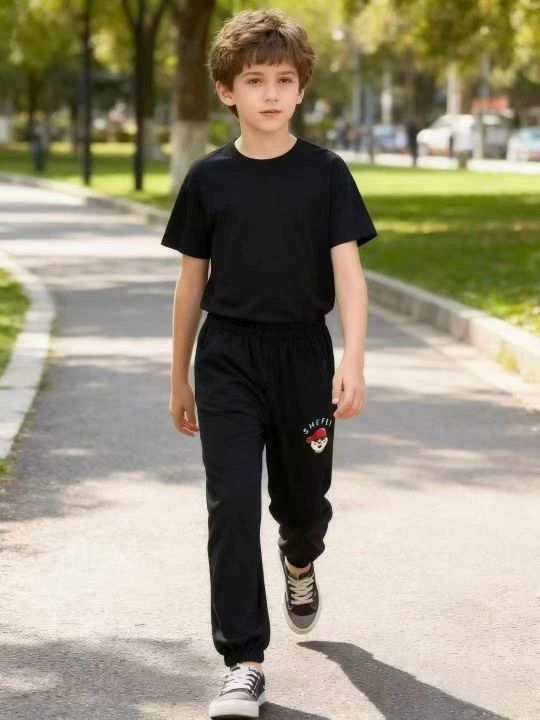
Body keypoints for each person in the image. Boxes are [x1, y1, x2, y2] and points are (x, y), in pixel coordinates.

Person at [160, 9, 377, 719]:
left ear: (301, 89)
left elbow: (349, 275)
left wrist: (353, 359)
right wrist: (179, 375)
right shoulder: (208, 179)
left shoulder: (326, 174)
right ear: (227, 91)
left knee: (303, 505)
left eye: (284, 79)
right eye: (255, 80)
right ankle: (243, 662)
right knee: (231, 504)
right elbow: (190, 283)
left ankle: (300, 558)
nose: (271, 92)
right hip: (227, 356)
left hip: (303, 357)